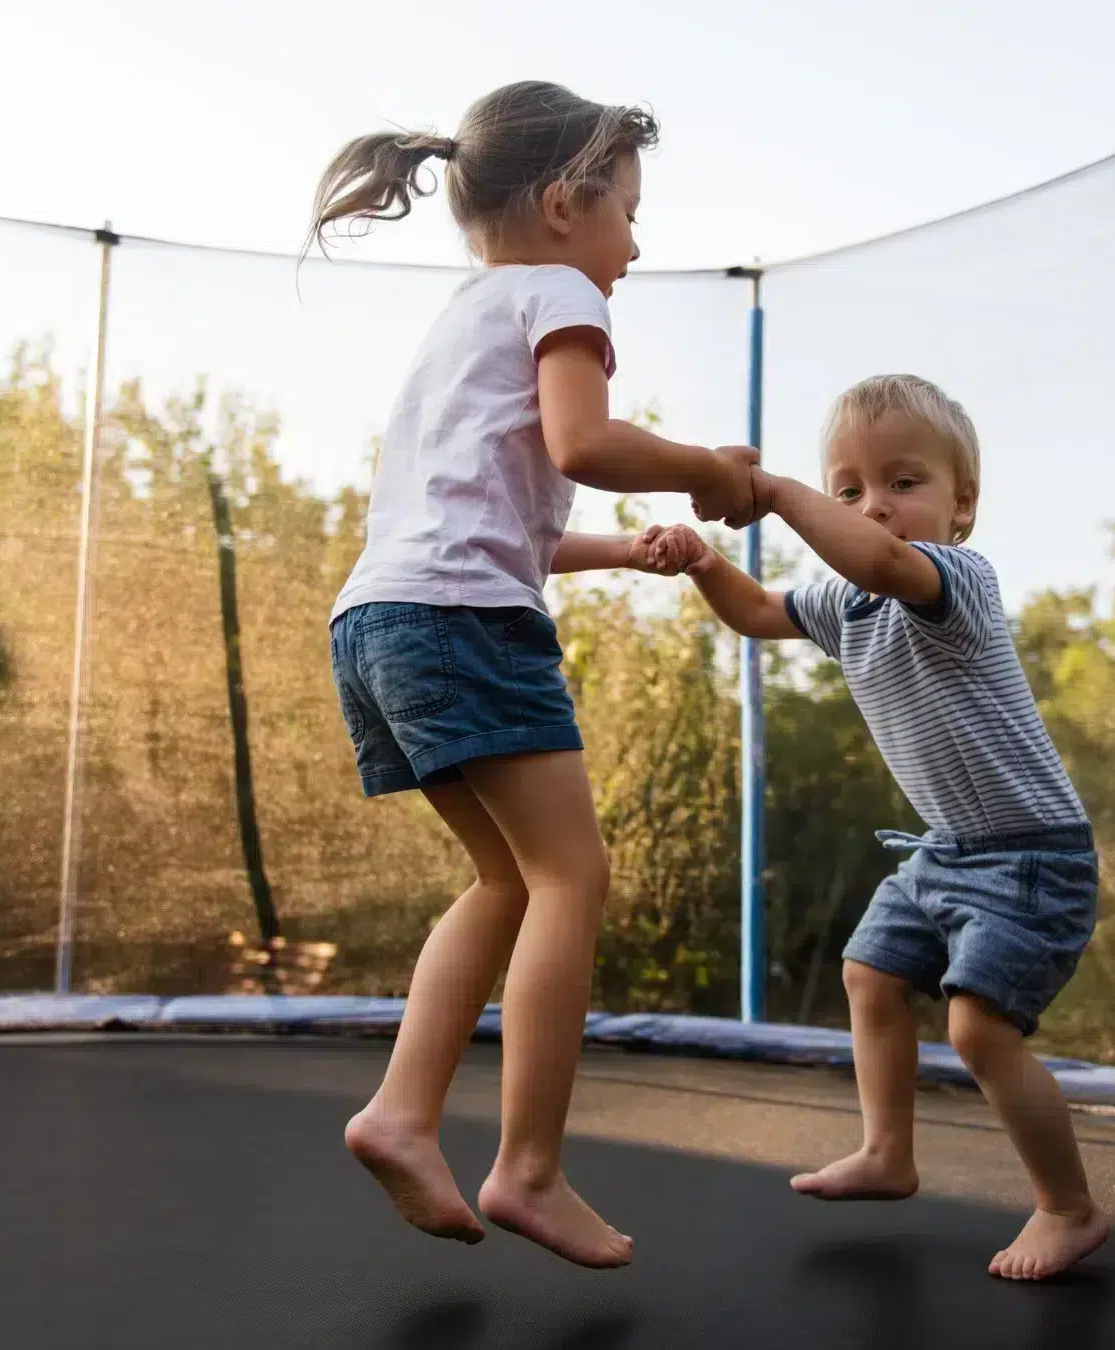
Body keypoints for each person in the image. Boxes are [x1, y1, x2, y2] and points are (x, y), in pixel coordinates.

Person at [311, 80, 760, 1270]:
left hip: (378, 620)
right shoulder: (560, 292)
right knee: (572, 877)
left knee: (504, 882)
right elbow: (584, 444)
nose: (633, 241)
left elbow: (511, 518)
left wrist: (627, 548)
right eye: (624, 209)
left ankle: (401, 1116)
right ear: (564, 204)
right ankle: (528, 1167)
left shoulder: (461, 323)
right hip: (461, 623)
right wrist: (706, 472)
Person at [641, 374, 1109, 1280]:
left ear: (961, 504)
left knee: (977, 1032)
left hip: (1031, 855)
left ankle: (1069, 1207)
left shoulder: (956, 579)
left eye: (903, 483)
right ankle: (888, 1155)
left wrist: (777, 492)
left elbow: (882, 563)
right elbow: (755, 613)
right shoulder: (839, 605)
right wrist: (703, 562)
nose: (874, 508)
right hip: (944, 851)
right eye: (849, 488)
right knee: (869, 975)